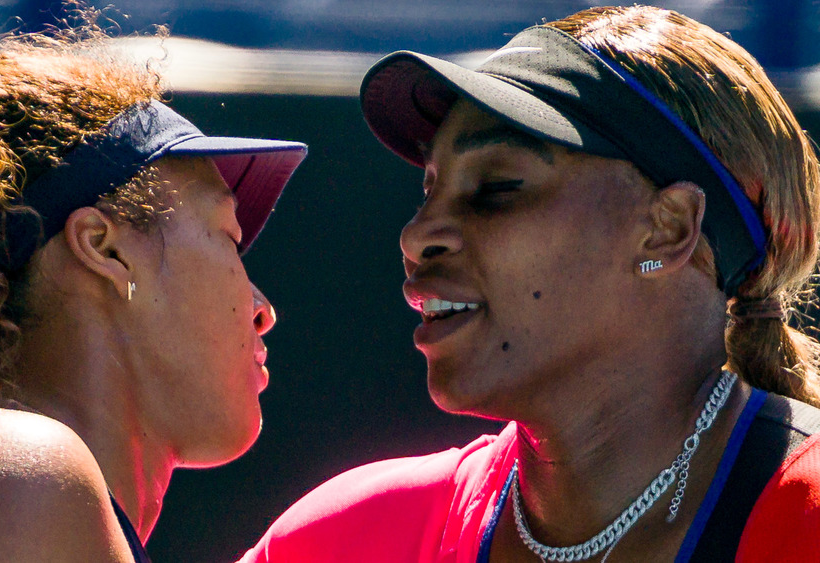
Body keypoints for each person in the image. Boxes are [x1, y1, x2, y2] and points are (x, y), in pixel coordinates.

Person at [241, 5, 820, 562]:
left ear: (665, 230)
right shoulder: (343, 539)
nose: (416, 235)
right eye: (427, 190)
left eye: (496, 187)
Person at [0, 20, 306, 562]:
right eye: (229, 240)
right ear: (104, 249)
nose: (263, 310)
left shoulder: (13, 488)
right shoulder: (10, 477)